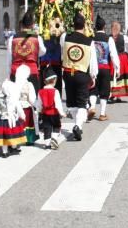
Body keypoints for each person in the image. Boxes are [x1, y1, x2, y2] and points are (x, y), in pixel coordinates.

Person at [61, 14, 97, 142]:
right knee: (82, 102)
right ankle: (78, 125)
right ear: (84, 26)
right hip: (82, 73)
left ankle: (77, 125)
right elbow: (93, 62)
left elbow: (62, 53)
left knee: (71, 101)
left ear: (73, 25)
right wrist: (93, 76)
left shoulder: (64, 37)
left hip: (67, 72)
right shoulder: (89, 42)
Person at [89, 15, 120, 122]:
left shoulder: (91, 39)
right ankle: (102, 114)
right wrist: (117, 68)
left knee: (93, 89)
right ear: (104, 27)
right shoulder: (108, 39)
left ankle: (92, 107)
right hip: (105, 68)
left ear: (95, 27)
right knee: (104, 91)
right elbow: (113, 55)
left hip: (93, 68)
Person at [9, 12, 45, 90]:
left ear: (22, 24)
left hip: (16, 72)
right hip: (32, 72)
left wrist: (9, 74)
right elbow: (43, 51)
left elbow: (9, 58)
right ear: (32, 25)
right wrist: (34, 54)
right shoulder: (37, 37)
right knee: (33, 99)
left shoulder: (12, 38)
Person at [0, 80, 25, 157]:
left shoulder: (0, 100)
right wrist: (23, 116)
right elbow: (20, 110)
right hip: (12, 120)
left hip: (3, 121)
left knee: (4, 138)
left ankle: (5, 152)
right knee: (13, 135)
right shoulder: (14, 100)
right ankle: (13, 147)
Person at [37, 72, 63, 148]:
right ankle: (54, 139)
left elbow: (39, 104)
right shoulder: (55, 91)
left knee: (47, 128)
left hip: (45, 113)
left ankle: (47, 144)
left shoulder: (40, 92)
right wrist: (61, 112)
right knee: (56, 126)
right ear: (54, 81)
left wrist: (39, 110)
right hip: (54, 113)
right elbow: (58, 104)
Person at [110, 21, 128, 100]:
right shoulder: (124, 37)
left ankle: (113, 94)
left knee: (112, 76)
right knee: (121, 77)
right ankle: (118, 95)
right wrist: (127, 51)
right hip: (121, 58)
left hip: (111, 58)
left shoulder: (109, 37)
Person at [15, 64, 38, 145]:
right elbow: (32, 98)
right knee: (28, 124)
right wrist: (35, 106)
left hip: (17, 106)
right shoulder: (29, 84)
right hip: (27, 107)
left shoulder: (15, 84)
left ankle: (18, 140)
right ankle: (29, 140)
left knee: (19, 123)